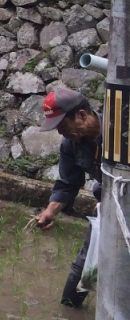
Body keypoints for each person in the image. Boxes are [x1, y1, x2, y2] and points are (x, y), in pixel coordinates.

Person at [33, 86, 101, 308]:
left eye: (63, 126)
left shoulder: (119, 131)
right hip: (109, 210)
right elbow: (69, 183)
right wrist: (50, 211)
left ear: (81, 115)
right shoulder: (70, 144)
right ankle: (71, 314)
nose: (61, 133)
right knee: (82, 272)